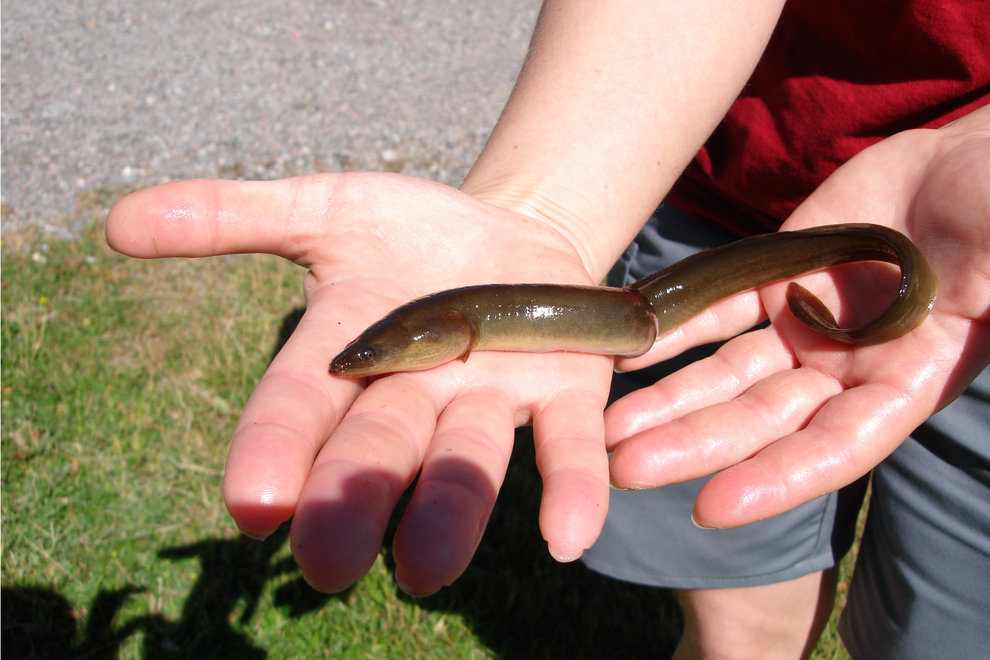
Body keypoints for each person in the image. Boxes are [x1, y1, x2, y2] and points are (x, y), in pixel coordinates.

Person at [106, 0, 989, 657]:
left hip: (969, 252)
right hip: (705, 178)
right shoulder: (477, 315)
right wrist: (546, 206)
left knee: (944, 630)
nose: (366, 363)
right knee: (740, 613)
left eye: (380, 350)